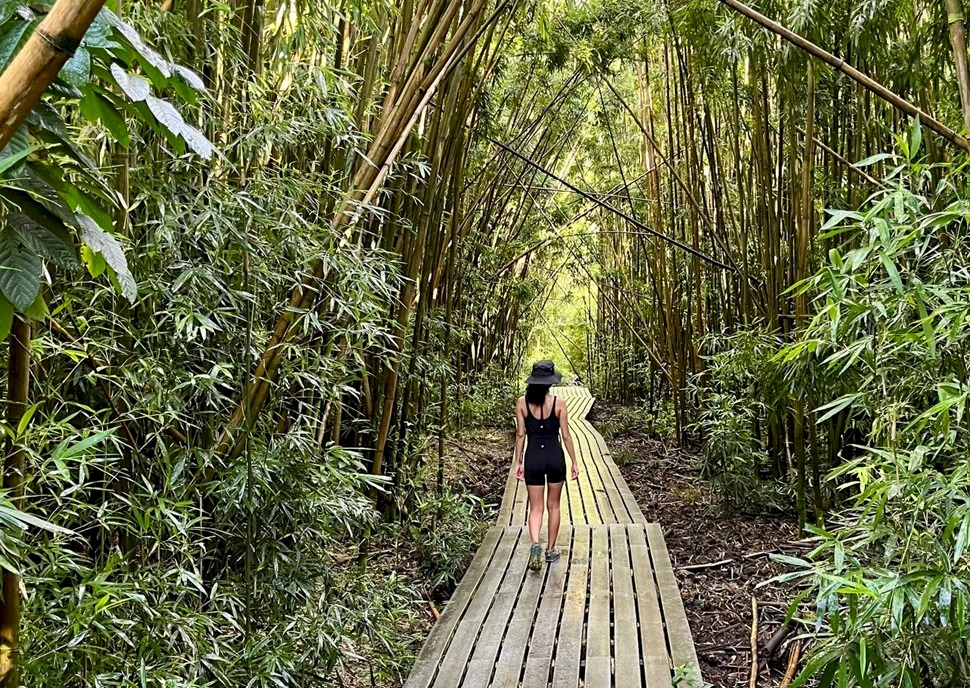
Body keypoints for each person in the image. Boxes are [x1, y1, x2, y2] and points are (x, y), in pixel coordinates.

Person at [513, 360, 580, 571]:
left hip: (533, 457)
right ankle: (550, 550)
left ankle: (535, 544)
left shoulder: (522, 402)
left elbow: (520, 434)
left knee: (536, 508)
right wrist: (574, 462)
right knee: (554, 506)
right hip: (554, 457)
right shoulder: (559, 403)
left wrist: (518, 461)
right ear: (550, 382)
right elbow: (566, 436)